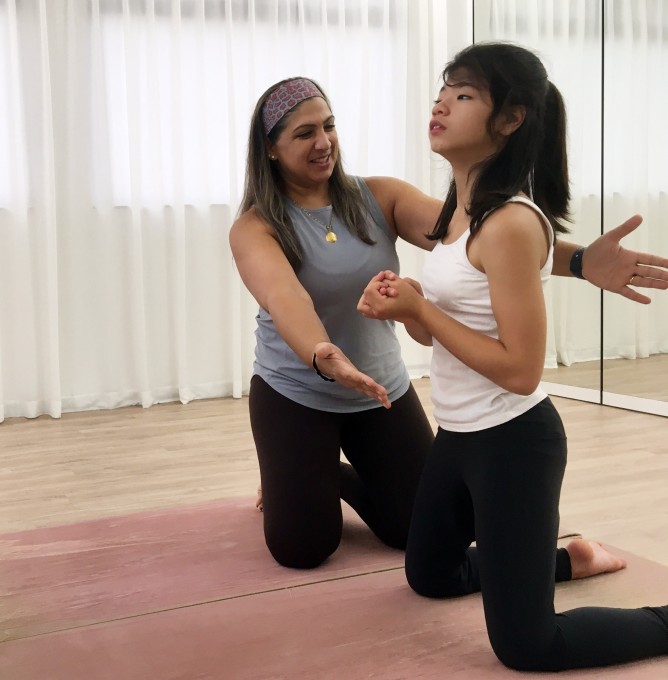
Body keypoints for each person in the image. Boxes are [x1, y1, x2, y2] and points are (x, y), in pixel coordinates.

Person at [231, 75, 668, 570]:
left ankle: (323, 471)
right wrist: (321, 353)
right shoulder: (256, 226)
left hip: (378, 388)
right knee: (303, 548)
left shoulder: (379, 196)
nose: (324, 142)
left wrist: (582, 260)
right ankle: (294, 471)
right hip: (296, 390)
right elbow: (285, 297)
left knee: (421, 528)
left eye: (329, 126)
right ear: (270, 148)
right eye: (304, 133)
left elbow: (476, 236)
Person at [359, 42, 668, 671]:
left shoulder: (510, 224)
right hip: (459, 434)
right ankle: (566, 559)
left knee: (529, 647)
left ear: (511, 119)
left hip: (513, 444)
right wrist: (411, 305)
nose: (441, 101)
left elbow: (521, 370)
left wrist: (422, 312)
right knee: (429, 575)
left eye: (465, 93)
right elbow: (443, 336)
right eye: (445, 88)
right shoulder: (454, 216)